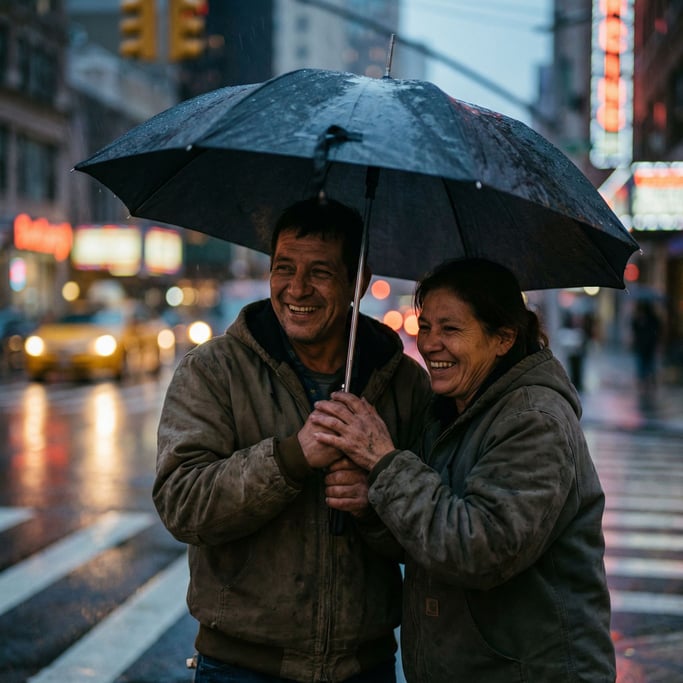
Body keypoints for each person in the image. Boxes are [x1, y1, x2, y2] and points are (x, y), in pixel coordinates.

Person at [153, 196, 431, 683]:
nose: (296, 288)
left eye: (320, 272)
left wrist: (374, 502)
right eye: (284, 268)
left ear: (357, 282)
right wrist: (289, 459)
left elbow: (432, 530)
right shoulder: (214, 370)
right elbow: (181, 503)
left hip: (363, 665)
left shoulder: (405, 384)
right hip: (240, 666)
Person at [311, 258, 616, 682]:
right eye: (425, 327)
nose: (431, 344)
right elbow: (422, 541)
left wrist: (384, 461)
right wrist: (370, 503)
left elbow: (479, 550)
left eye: (450, 329)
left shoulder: (533, 420)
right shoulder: (449, 413)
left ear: (503, 338)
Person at [631, 299, 662, 395]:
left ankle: (649, 382)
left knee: (649, 365)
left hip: (649, 346)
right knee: (643, 365)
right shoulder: (638, 319)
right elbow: (634, 329)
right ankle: (644, 382)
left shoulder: (652, 319)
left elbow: (657, 330)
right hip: (642, 346)